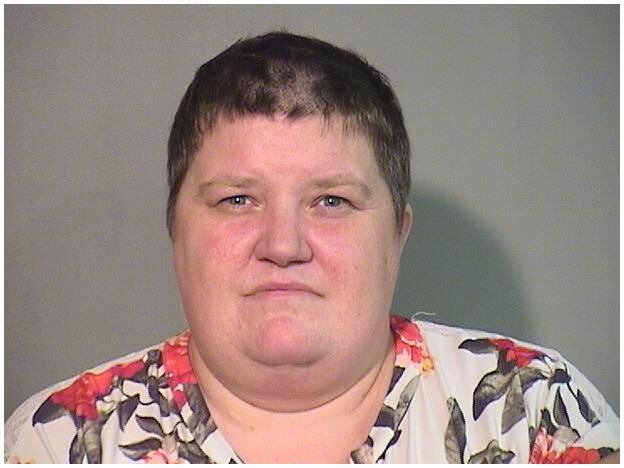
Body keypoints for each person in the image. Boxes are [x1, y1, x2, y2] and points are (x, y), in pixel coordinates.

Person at [4, 31, 619, 464]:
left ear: (397, 235)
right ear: (175, 232)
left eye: (331, 201)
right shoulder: (56, 441)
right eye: (237, 199)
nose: (283, 245)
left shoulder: (536, 410)